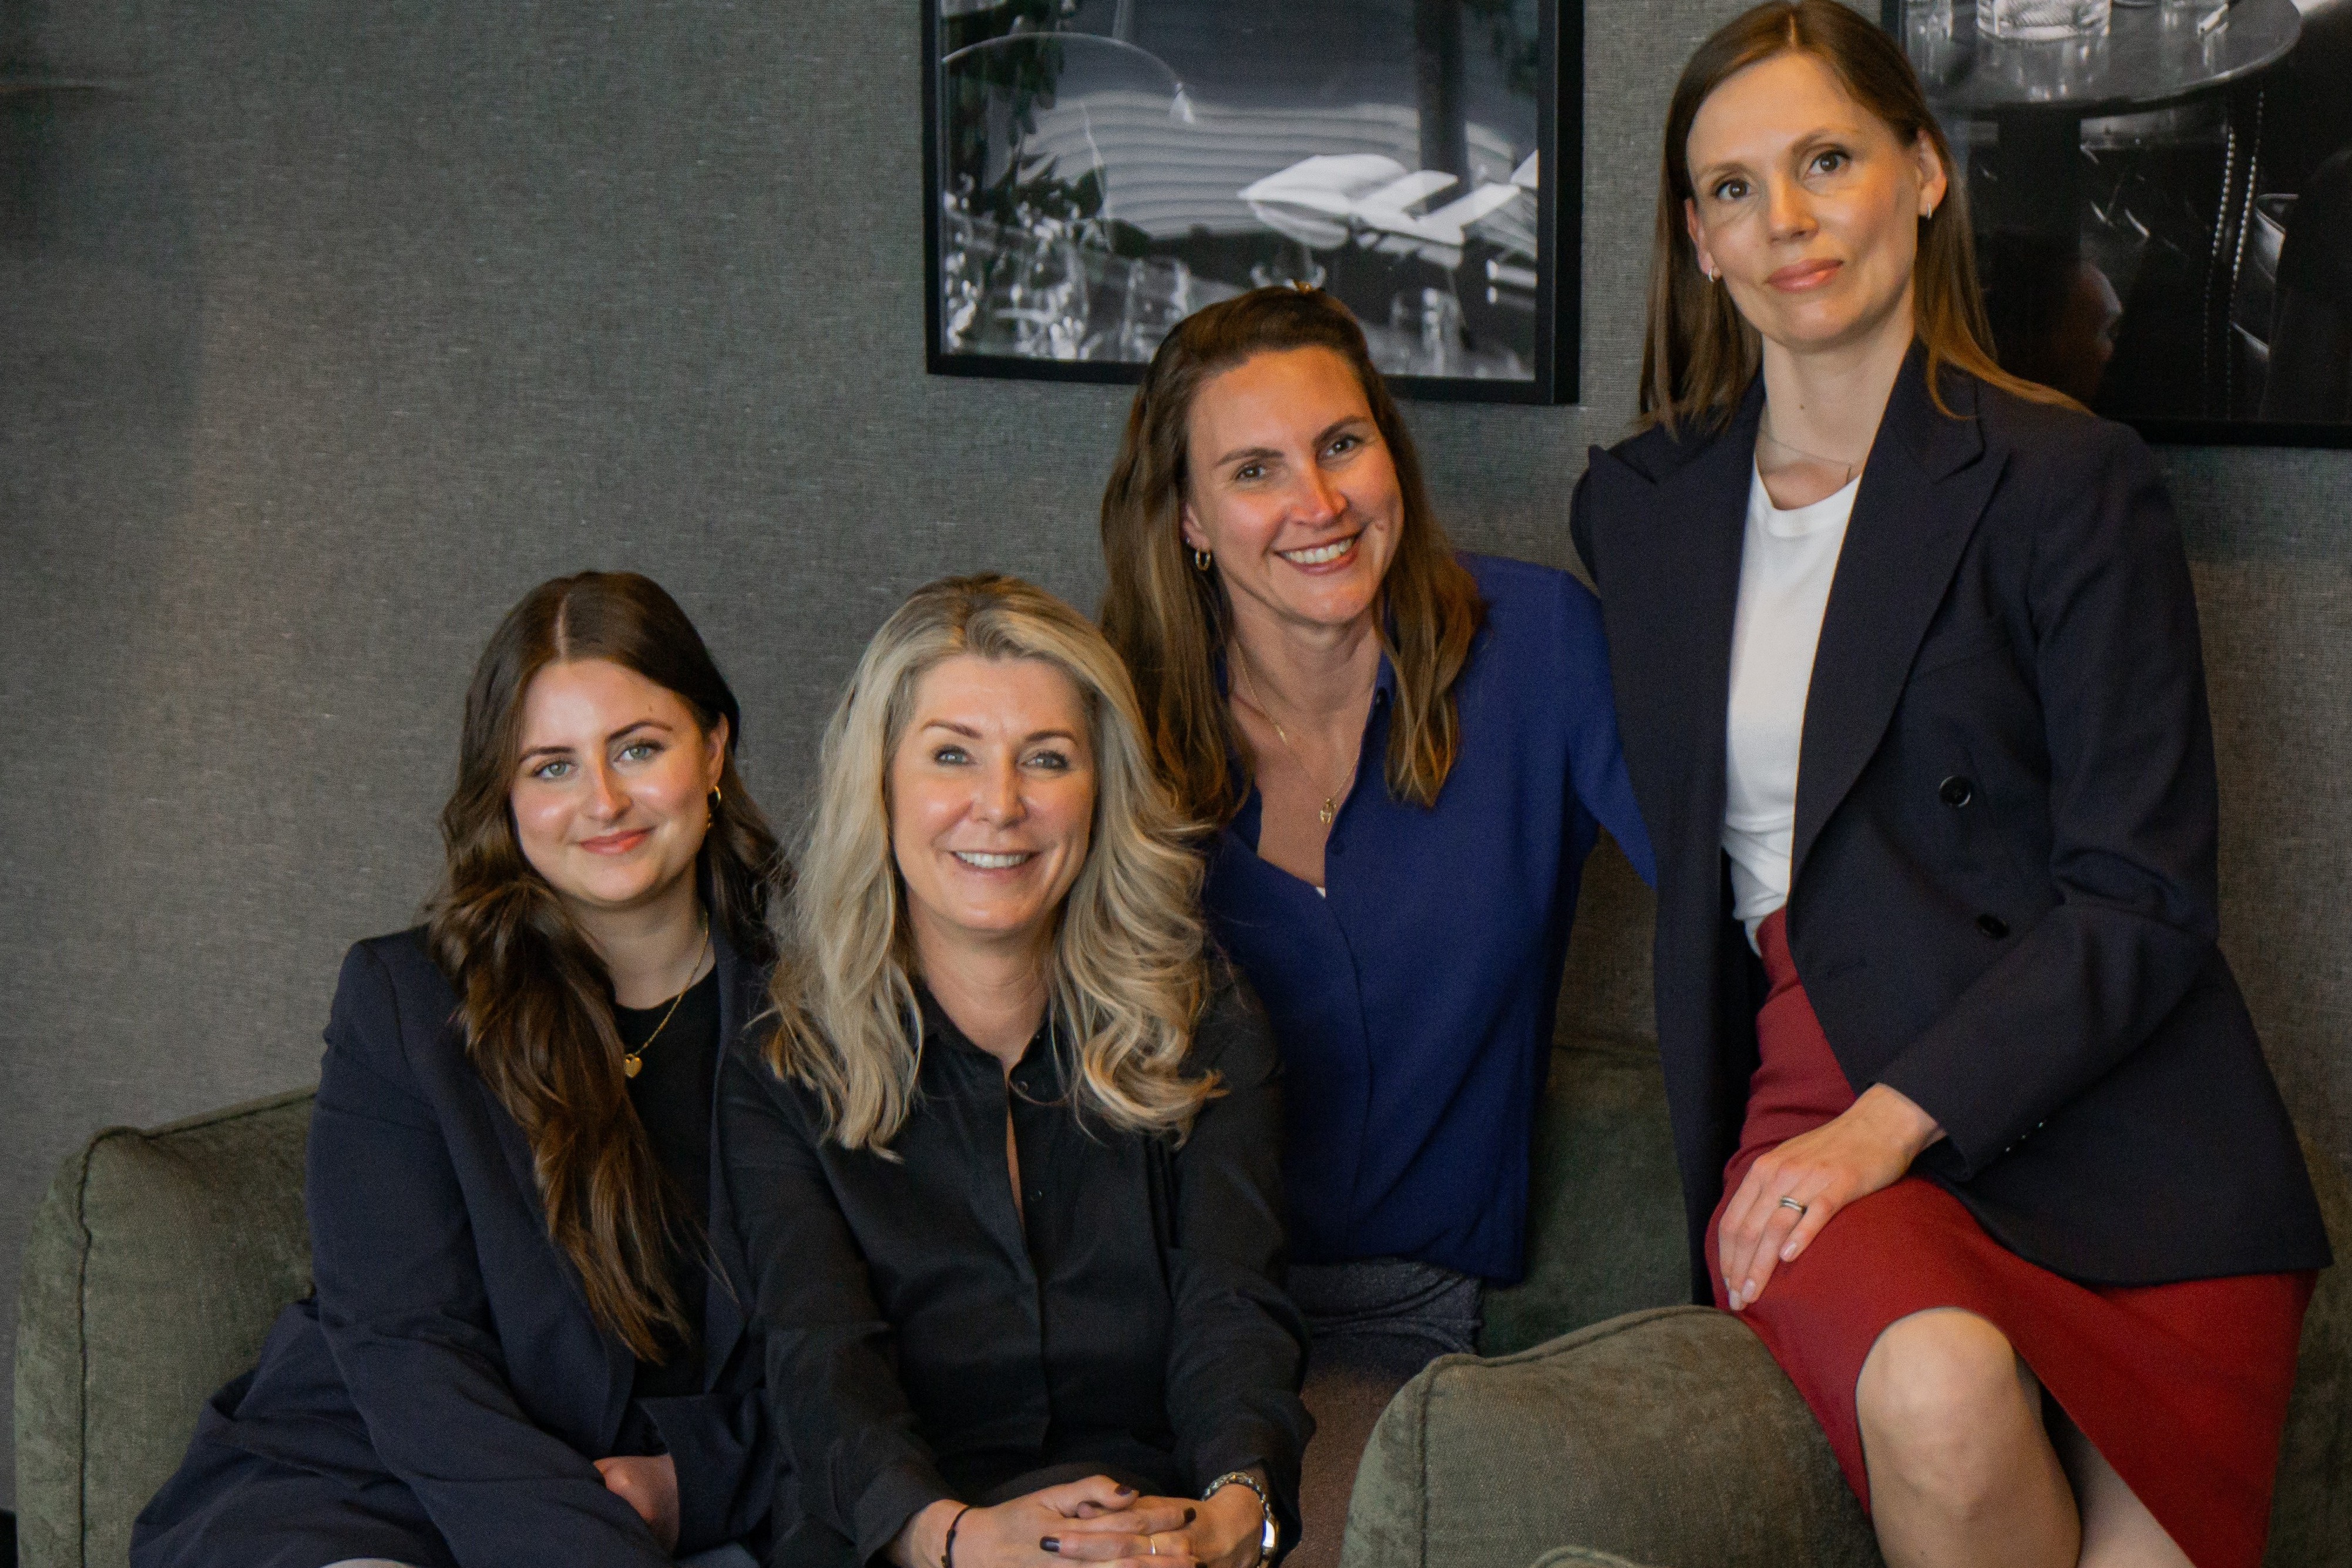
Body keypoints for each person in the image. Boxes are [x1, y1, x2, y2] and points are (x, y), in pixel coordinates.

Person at [1568, 6, 2332, 1568]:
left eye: (1825, 161)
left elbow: (2143, 895)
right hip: (1818, 1071)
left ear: (1921, 173)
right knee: (1935, 1384)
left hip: (2123, 1137)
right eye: (1731, 188)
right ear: (1696, 239)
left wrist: (1886, 1130)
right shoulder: (1638, 512)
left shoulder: (2069, 480)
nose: (1783, 221)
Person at [1096, 284, 1653, 1562]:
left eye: (1342, 444)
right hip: (1126, 1317)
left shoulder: (1542, 650)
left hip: (1379, 1322)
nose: (1319, 501)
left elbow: (1752, 890)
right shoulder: (1114, 725)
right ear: (1189, 519)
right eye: (1253, 470)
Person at [132, 573, 784, 1568]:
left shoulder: (816, 1027)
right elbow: (404, 1347)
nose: (603, 800)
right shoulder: (406, 1004)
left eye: (638, 748)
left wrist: (692, 1480)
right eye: (552, 766)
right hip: (373, 1480)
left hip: (652, 1497)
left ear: (714, 749)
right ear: (506, 796)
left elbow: (862, 1366)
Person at [720, 575, 1308, 1568]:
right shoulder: (785, 1061)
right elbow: (820, 1364)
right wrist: (953, 1540)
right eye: (953, 754)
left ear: (1101, 788)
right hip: (900, 1538)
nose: (1000, 805)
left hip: (1146, 1530)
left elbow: (1234, 1311)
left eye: (1047, 758)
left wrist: (1235, 1515)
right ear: (881, 783)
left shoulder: (1205, 1022)